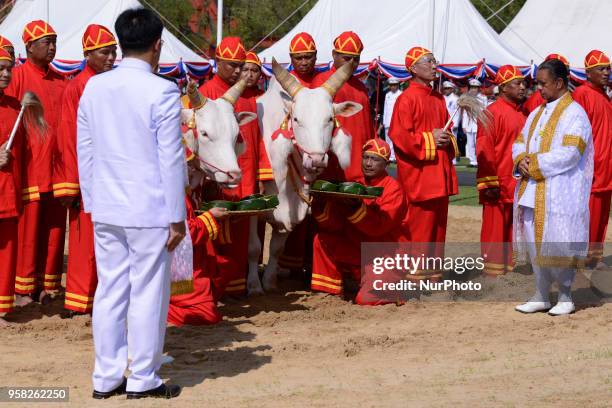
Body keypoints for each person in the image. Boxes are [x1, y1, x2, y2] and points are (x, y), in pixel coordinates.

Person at [77, 8, 185, 399]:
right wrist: (177, 216)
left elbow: (84, 150)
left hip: (107, 205)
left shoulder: (94, 87)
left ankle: (105, 377)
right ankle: (142, 378)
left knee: (110, 290)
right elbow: (170, 158)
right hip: (150, 209)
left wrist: (92, 200)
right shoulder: (161, 90)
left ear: (120, 43)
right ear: (158, 45)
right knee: (147, 293)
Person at [513, 59, 593, 316]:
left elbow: (570, 152)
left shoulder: (575, 114)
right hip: (531, 190)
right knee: (534, 242)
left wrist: (534, 163)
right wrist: (520, 159)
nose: (539, 90)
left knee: (558, 242)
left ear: (559, 83)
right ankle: (540, 293)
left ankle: (566, 295)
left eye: (543, 84)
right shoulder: (536, 113)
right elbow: (519, 141)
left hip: (559, 192)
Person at [55, 24, 117, 318]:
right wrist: (70, 184)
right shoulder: (77, 87)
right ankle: (79, 299)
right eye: (104, 52)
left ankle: (105, 296)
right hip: (87, 177)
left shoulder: (113, 83)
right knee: (84, 240)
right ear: (88, 54)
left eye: (114, 51)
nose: (110, 57)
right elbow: (67, 137)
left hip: (113, 175)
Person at [198, 37, 267, 297]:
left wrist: (262, 173)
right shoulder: (204, 94)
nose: (238, 71)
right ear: (218, 63)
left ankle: (238, 283)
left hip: (245, 173)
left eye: (240, 65)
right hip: (214, 176)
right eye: (232, 65)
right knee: (214, 231)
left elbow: (257, 141)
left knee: (240, 230)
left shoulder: (248, 99)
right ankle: (213, 286)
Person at [5, 20, 67, 304]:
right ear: (30, 46)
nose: (52, 47)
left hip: (57, 168)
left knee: (54, 230)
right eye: (46, 42)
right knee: (28, 231)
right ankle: (22, 288)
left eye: (54, 41)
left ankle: (47, 284)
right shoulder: (15, 76)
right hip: (29, 167)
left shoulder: (60, 81)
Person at [388, 46, 458, 281]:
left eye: (435, 61)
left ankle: (433, 276)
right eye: (428, 62)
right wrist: (431, 138)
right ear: (413, 68)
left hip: (439, 172)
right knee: (419, 227)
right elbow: (400, 137)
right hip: (420, 175)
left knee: (438, 228)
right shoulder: (406, 99)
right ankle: (413, 277)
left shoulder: (438, 99)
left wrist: (446, 138)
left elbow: (444, 131)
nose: (434, 65)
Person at [311, 138, 407, 302]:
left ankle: (395, 288)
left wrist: (356, 208)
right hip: (358, 249)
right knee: (322, 240)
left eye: (375, 159)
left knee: (365, 300)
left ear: (386, 164)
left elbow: (378, 228)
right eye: (365, 157)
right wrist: (320, 203)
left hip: (385, 256)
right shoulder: (355, 185)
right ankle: (329, 291)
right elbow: (335, 224)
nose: (368, 163)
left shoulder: (393, 189)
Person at [476, 65, 527, 276]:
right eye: (517, 84)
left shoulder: (524, 113)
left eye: (524, 83)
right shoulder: (492, 112)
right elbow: (484, 149)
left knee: (513, 231)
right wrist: (489, 183)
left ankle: (510, 270)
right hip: (498, 183)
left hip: (518, 183)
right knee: (495, 231)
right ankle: (492, 274)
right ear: (504, 88)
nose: (523, 87)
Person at [167, 146, 225, 327]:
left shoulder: (182, 192)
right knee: (205, 315)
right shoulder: (172, 194)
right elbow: (181, 232)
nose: (192, 169)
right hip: (181, 265)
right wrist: (210, 218)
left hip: (191, 259)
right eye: (187, 165)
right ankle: (163, 309)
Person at [313, 31, 375, 183]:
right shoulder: (321, 82)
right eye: (347, 58)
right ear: (334, 55)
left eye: (356, 59)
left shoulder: (361, 86)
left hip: (360, 163)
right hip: (334, 165)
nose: (352, 63)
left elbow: (368, 126)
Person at [572, 50, 611, 267]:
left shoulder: (604, 96)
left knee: (602, 214)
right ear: (588, 73)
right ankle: (582, 257)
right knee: (587, 213)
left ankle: (595, 256)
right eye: (601, 69)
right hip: (591, 169)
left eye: (608, 69)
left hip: (607, 166)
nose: (606, 73)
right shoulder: (581, 94)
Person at [0, 47, 26, 326]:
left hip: (7, 189)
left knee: (6, 252)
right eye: (0, 69)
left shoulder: (13, 107)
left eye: (8, 68)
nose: (6, 74)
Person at [462, 78, 486, 167]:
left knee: (478, 143)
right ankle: (472, 161)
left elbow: (485, 112)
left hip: (478, 124)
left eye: (475, 87)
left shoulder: (483, 98)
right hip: (469, 124)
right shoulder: (467, 98)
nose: (473, 89)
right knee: (470, 143)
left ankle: (480, 160)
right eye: (472, 87)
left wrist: (483, 125)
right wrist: (464, 125)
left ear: (479, 88)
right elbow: (465, 113)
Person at [382, 77, 400, 162]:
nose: (393, 87)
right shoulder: (387, 95)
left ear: (397, 85)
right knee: (388, 139)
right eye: (391, 85)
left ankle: (396, 156)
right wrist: (384, 121)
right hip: (388, 120)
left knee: (396, 139)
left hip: (396, 121)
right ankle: (390, 156)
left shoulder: (401, 94)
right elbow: (385, 109)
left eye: (394, 85)